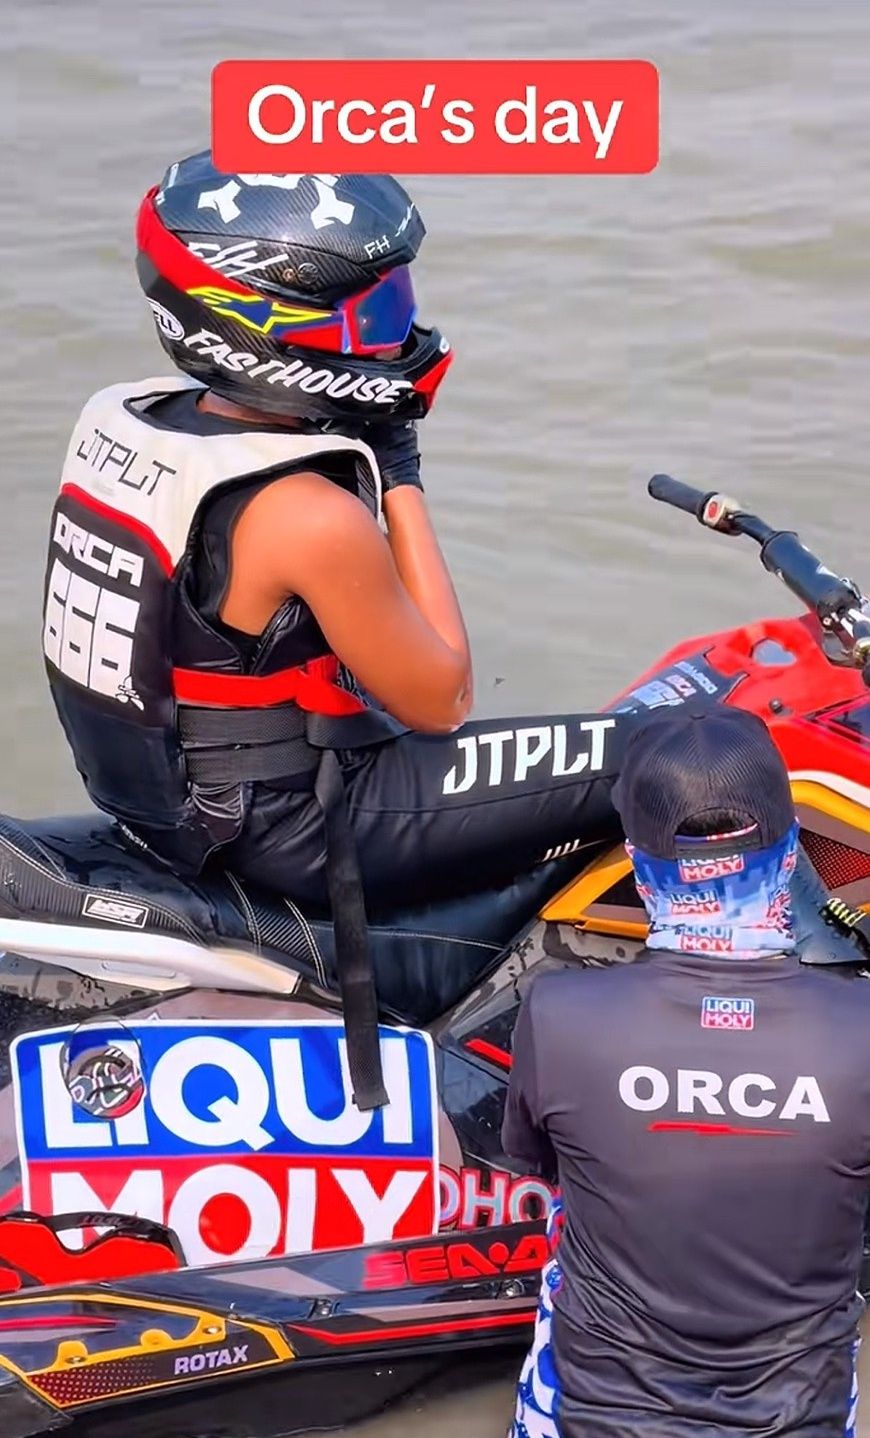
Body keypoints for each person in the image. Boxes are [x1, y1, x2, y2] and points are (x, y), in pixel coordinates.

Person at [42, 157, 631, 913]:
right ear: (267, 331)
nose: (397, 337)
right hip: (299, 833)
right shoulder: (307, 513)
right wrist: (400, 472)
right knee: (690, 751)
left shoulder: (122, 421)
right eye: (375, 317)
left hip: (179, 812)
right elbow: (444, 698)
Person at [504, 705, 870, 1438]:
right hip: (802, 1419)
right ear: (792, 853)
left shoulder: (560, 1013)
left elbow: (542, 1166)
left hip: (596, 1418)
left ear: (638, 868)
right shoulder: (859, 1032)